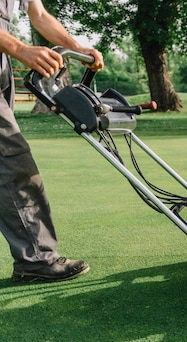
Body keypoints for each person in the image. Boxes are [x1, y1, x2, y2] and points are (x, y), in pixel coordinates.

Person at [0, 0, 103, 283]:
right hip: (7, 50)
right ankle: (37, 258)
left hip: (2, 62)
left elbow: (40, 14)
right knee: (13, 163)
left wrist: (77, 48)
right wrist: (20, 49)